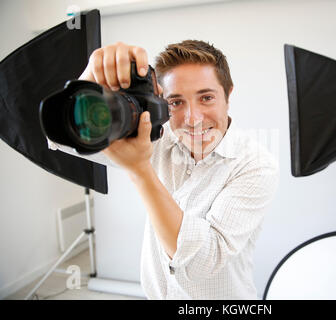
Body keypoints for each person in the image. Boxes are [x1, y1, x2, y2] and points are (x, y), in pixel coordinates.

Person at [76, 40, 279, 299]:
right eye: (176, 102)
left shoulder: (256, 166)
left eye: (206, 98)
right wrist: (90, 84)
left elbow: (200, 262)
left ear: (228, 95)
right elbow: (65, 141)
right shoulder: (157, 136)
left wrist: (140, 171)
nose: (192, 119)